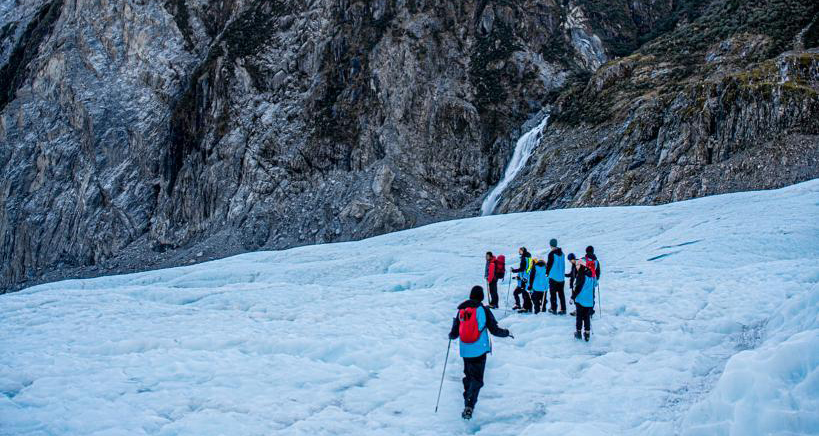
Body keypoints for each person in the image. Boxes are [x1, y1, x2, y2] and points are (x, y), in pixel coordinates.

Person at [448, 286, 513, 419]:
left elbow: (454, 334)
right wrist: (507, 333)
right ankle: (469, 405)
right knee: (477, 380)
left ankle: (467, 402)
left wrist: (451, 334)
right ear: (481, 297)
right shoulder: (483, 310)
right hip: (479, 349)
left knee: (469, 377)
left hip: (465, 350)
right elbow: (494, 330)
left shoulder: (461, 310)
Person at [570, 249, 600, 341]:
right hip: (589, 301)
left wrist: (572, 297)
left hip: (580, 300)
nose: (577, 267)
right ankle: (587, 334)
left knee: (579, 317)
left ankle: (578, 333)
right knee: (587, 317)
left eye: (578, 265)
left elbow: (578, 288)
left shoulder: (581, 275)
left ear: (581, 265)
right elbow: (595, 284)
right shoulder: (592, 275)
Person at [545, 239, 566, 314]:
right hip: (561, 277)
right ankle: (563, 309)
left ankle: (554, 309)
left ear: (551, 245)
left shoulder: (551, 254)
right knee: (561, 294)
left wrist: (547, 273)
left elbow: (549, 265)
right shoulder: (562, 254)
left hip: (553, 277)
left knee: (553, 294)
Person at [511, 247, 533, 312]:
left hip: (524, 279)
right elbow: (525, 269)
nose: (519, 252)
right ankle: (523, 306)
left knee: (524, 293)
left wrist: (514, 271)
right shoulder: (528, 258)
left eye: (520, 250)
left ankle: (525, 307)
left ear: (523, 251)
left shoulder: (524, 258)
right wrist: (518, 277)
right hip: (526, 278)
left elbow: (522, 269)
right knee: (519, 292)